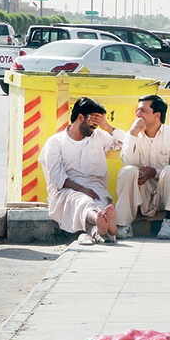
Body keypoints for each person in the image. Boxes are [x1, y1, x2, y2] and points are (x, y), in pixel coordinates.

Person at [39, 97, 125, 244]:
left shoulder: (98, 136)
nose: (94, 129)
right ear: (80, 118)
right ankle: (106, 224)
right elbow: (56, 178)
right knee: (82, 200)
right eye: (92, 125)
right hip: (65, 190)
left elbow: (126, 143)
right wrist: (82, 189)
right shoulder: (56, 142)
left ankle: (97, 229)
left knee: (100, 200)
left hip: (96, 188)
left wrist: (107, 126)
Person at [115, 95, 170, 240]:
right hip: (142, 193)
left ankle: (169, 221)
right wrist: (133, 133)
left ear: (157, 115)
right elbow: (128, 161)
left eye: (143, 111)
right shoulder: (133, 134)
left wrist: (154, 172)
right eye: (137, 110)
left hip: (164, 195)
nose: (138, 114)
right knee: (127, 171)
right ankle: (123, 225)